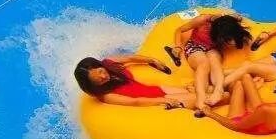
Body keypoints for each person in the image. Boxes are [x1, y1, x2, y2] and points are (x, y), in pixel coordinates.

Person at [194, 65, 276, 135]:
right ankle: (221, 92)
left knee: (238, 85)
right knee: (246, 77)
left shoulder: (268, 109)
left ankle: (216, 91)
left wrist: (209, 113)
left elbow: (236, 126)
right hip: (262, 120)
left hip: (244, 123)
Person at [167, 14, 252, 109]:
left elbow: (238, 20)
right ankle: (200, 99)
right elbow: (179, 30)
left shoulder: (228, 23)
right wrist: (178, 46)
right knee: (204, 64)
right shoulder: (203, 20)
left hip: (212, 49)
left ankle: (218, 91)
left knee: (215, 62)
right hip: (195, 45)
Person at [74, 55, 202, 108]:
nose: (103, 76)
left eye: (101, 71)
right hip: (155, 99)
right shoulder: (106, 95)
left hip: (156, 90)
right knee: (200, 98)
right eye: (99, 80)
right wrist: (163, 100)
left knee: (197, 90)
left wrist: (152, 60)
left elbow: (130, 58)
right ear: (94, 86)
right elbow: (134, 102)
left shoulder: (109, 63)